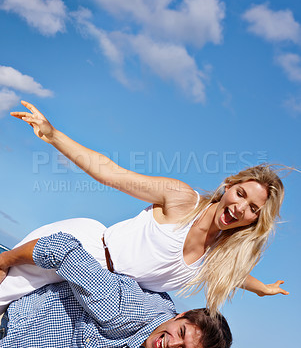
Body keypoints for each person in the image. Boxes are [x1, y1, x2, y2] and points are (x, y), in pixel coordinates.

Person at [2, 101, 288, 316]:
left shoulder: (219, 256)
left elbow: (236, 274)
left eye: (252, 209)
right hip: (81, 251)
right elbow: (110, 173)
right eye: (240, 194)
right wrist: (53, 135)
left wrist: (262, 288)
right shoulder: (182, 199)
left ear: (254, 221)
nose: (240, 208)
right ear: (227, 186)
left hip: (99, 295)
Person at [0, 232, 232, 348]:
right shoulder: (123, 309)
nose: (172, 345)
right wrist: (3, 261)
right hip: (14, 337)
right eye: (181, 333)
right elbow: (62, 248)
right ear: (182, 315)